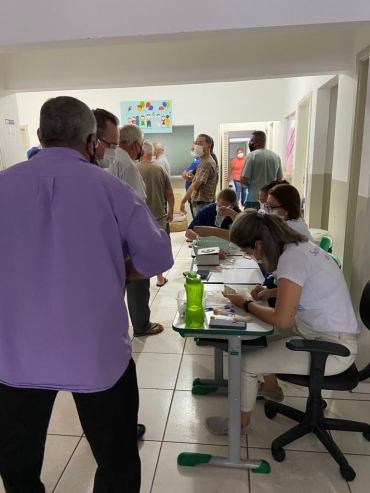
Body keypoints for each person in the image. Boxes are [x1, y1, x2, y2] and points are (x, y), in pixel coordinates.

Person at [0, 96, 174, 492]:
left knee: (17, 464)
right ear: (93, 141)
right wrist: (117, 267)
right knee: (116, 459)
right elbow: (157, 256)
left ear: (41, 136)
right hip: (96, 352)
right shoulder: (112, 189)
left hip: (15, 354)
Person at [206, 209, 359, 436]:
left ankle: (240, 426)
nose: (253, 257)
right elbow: (304, 288)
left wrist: (246, 304)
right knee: (258, 340)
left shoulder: (291, 259)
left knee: (246, 363)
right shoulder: (298, 247)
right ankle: (271, 388)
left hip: (333, 348)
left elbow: (282, 320)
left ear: (259, 244)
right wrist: (268, 294)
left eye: (249, 252)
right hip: (318, 331)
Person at [119, 125, 167, 337]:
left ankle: (114, 330)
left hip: (110, 235)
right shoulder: (127, 165)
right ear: (137, 145)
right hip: (127, 236)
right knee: (138, 282)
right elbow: (137, 206)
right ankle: (141, 325)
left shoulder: (107, 161)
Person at [137, 141, 175, 287]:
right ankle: (160, 278)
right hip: (159, 215)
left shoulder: (134, 169)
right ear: (152, 152)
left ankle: (142, 275)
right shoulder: (160, 169)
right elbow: (170, 192)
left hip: (140, 215)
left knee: (141, 246)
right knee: (157, 246)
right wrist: (171, 210)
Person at [93, 112, 147, 200]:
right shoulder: (128, 165)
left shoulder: (109, 159)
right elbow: (136, 202)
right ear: (135, 145)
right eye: (141, 145)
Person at [241, 131, 283, 210]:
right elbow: (279, 180)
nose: (250, 143)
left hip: (254, 199)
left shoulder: (252, 156)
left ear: (258, 142)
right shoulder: (276, 156)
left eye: (251, 141)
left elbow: (244, 180)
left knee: (251, 221)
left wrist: (246, 186)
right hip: (271, 201)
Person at [180, 134, 217, 216]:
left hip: (203, 204)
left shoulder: (206, 163)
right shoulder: (203, 161)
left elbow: (195, 185)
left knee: (200, 228)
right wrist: (194, 179)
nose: (197, 146)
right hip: (202, 203)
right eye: (196, 143)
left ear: (208, 146)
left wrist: (183, 201)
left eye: (200, 143)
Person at [181, 142, 201, 219]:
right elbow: (185, 174)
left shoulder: (197, 163)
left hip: (194, 197)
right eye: (191, 149)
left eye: (193, 149)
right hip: (193, 196)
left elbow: (184, 174)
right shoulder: (198, 162)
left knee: (197, 221)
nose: (192, 151)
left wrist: (183, 202)